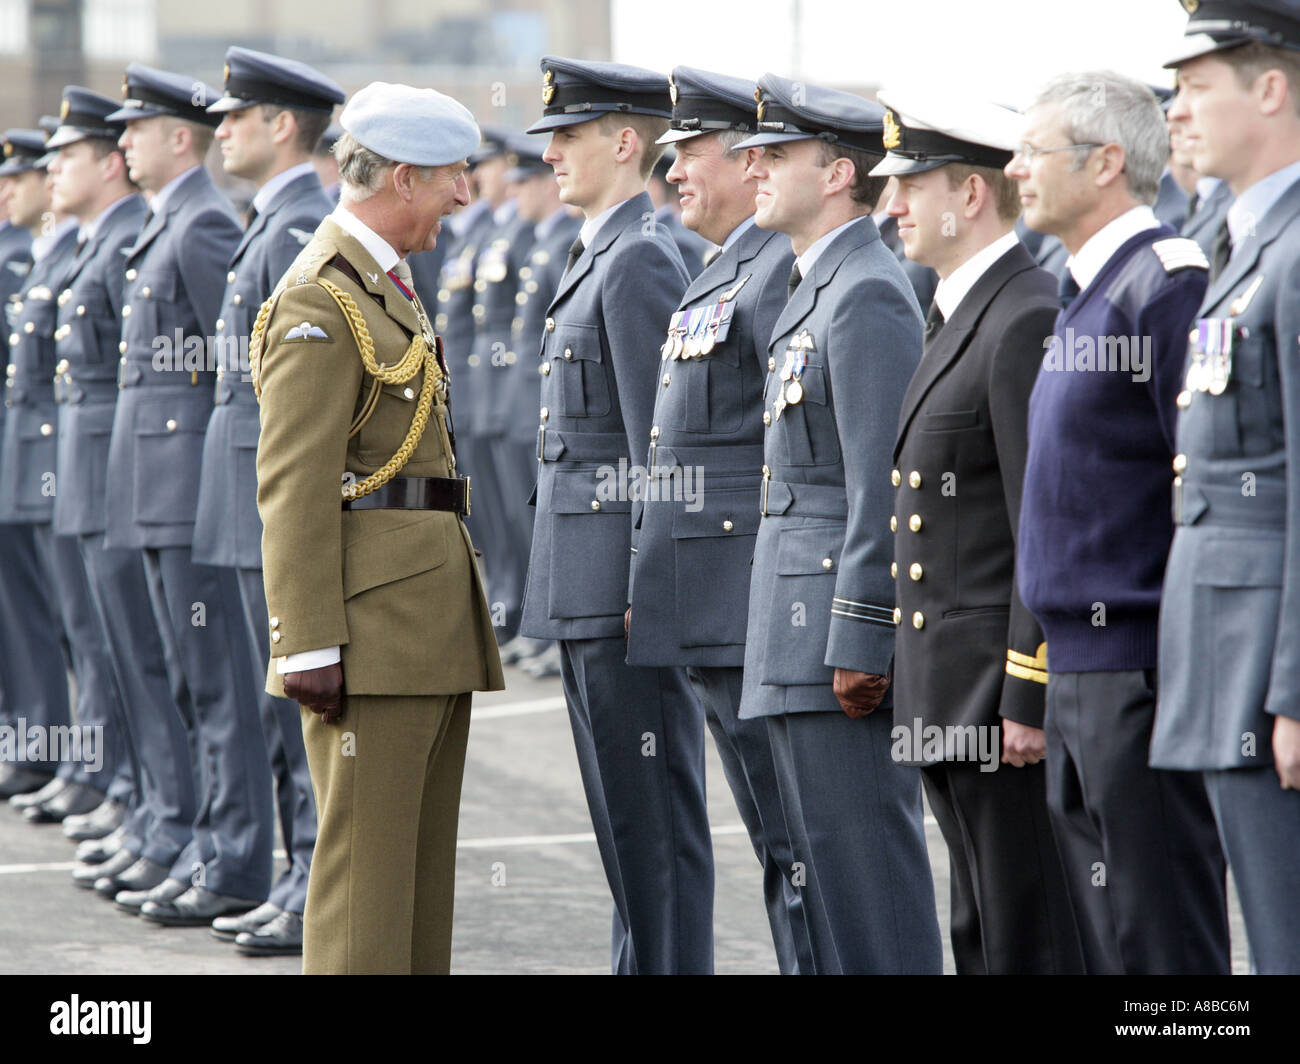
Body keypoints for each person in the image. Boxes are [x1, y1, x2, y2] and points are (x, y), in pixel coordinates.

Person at [252, 80, 503, 974]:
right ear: (403, 178)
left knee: (417, 885)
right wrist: (307, 642)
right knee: (366, 887)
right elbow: (293, 484)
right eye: (453, 176)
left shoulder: (380, 283)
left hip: (422, 623)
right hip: (370, 634)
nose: (467, 193)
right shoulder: (321, 298)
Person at [1006, 70, 1230, 974]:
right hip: (1080, 670)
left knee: (1163, 937)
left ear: (1104, 164)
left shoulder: (1163, 286)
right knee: (1113, 945)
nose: (1017, 169)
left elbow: (1205, 484)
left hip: (1142, 672)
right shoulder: (1084, 290)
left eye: (1034, 151)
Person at [735, 73, 942, 974]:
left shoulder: (865, 290)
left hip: (832, 641)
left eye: (775, 156)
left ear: (838, 173)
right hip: (791, 630)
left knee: (867, 877)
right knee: (823, 875)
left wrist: (864, 630)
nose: (753, 171)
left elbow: (885, 485)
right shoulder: (813, 283)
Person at [876, 89, 1083, 974]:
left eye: (908, 185)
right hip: (945, 691)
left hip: (996, 701)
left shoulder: (1024, 313)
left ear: (968, 193)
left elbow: (1046, 520)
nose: (890, 207)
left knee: (1028, 932)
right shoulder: (958, 310)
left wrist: (1027, 694)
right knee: (981, 931)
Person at [518, 56, 711, 974]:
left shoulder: (639, 257)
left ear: (625, 143)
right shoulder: (601, 245)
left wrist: (653, 585)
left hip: (621, 594)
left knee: (651, 820)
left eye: (569, 136)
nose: (550, 154)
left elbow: (656, 447)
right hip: (585, 580)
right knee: (623, 825)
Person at [624, 65, 809, 974]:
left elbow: (803, 451)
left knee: (798, 845)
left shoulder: (775, 269)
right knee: (780, 845)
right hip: (709, 607)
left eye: (691, 151)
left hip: (750, 607)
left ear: (749, 158)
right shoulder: (726, 265)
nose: (675, 172)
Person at [99, 64, 272, 922]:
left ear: (179, 139)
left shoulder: (204, 225)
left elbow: (236, 375)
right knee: (181, 681)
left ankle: (235, 857)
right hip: (154, 489)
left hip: (190, 491)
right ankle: (205, 840)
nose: (121, 142)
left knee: (217, 689)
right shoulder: (173, 222)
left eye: (136, 129)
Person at [191, 45, 345, 956]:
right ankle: (295, 874)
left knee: (296, 709)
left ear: (280, 125)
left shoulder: (296, 230)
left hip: (271, 498)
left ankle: (309, 883)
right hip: (246, 492)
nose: (221, 129)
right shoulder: (270, 221)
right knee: (268, 706)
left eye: (234, 115)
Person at [1156, 0, 1300, 974]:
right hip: (1224, 661)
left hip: (1268, 676)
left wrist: (1295, 689)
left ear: (1273, 88)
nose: (1180, 109)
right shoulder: (1246, 246)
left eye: (1199, 85)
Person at [0, 127, 82, 812]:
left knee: (65, 617)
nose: (12, 191)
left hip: (55, 460)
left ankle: (52, 748)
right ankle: (40, 745)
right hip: (30, 458)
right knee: (34, 611)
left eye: (20, 178)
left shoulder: (32, 258)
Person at [496, 134, 578, 676]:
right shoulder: (541, 242)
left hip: (542, 405)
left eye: (526, 180)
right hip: (514, 399)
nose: (516, 190)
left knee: (544, 526)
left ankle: (551, 630)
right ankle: (535, 623)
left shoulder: (564, 240)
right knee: (517, 523)